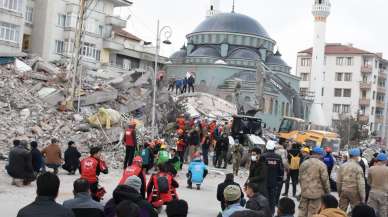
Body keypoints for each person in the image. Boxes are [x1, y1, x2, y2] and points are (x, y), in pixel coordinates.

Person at [298, 147, 330, 217]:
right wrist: (328, 192)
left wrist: (303, 189)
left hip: (305, 192)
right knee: (313, 213)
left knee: (302, 211)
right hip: (316, 194)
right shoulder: (322, 165)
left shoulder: (304, 163)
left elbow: (299, 178)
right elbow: (325, 180)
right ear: (319, 154)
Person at [336, 148, 365, 213]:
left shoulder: (343, 166)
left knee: (341, 211)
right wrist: (363, 197)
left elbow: (338, 181)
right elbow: (361, 184)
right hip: (355, 193)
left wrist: (339, 192)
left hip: (344, 191)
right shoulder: (358, 168)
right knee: (355, 211)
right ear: (357, 156)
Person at [261, 140, 284, 214]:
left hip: (263, 183)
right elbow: (281, 170)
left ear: (266, 147)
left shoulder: (263, 156)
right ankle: (271, 213)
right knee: (272, 200)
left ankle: (263, 213)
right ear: (274, 148)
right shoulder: (278, 157)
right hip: (274, 183)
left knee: (263, 199)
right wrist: (279, 180)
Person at [367, 152, 388, 217]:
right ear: (385, 160)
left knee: (371, 211)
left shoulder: (371, 169)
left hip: (373, 192)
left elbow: (368, 182)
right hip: (384, 194)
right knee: (383, 213)